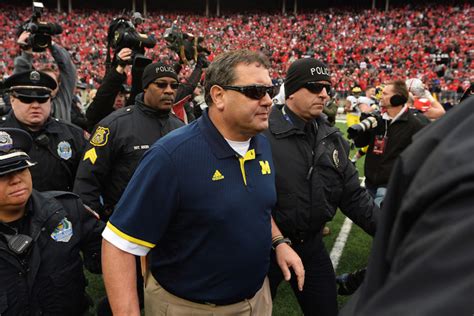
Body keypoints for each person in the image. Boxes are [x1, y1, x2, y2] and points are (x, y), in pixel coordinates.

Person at [101, 49, 288, 316]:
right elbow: (118, 244)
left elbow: (256, 206)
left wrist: (279, 242)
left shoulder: (261, 144)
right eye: (255, 91)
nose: (269, 100)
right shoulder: (172, 156)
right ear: (218, 96)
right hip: (190, 307)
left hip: (257, 298)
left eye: (271, 89)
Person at [340, 93, 474, 316]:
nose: (382, 98)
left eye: (388, 94)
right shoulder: (382, 120)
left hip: (388, 184)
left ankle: (359, 279)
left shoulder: (421, 126)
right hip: (377, 180)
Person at [263, 58, 379, 316]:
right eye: (315, 87)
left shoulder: (331, 137)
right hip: (265, 248)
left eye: (327, 87)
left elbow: (353, 196)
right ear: (292, 91)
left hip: (310, 246)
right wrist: (275, 240)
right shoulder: (261, 134)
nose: (324, 94)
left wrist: (391, 230)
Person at [0, 127, 103, 315]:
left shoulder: (67, 210)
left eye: (21, 168)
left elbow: (111, 257)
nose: (16, 180)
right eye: (2, 174)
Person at [73, 62, 185, 220]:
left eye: (174, 86)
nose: (169, 91)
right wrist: (95, 226)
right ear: (145, 87)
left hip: (170, 227)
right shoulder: (114, 125)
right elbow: (87, 180)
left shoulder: (181, 128)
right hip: (123, 227)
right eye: (161, 85)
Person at [1, 70, 86, 192]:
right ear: (12, 100)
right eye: (27, 99)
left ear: (50, 100)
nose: (35, 105)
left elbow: (87, 181)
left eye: (42, 99)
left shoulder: (73, 135)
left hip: (62, 209)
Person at [351, 80, 427, 206]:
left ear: (397, 98)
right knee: (371, 221)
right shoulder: (378, 120)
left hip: (391, 185)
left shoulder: (415, 125)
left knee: (380, 219)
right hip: (370, 182)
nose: (380, 96)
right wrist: (364, 120)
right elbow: (360, 143)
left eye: (385, 94)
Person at [15, 31, 77, 122]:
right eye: (45, 83)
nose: (49, 87)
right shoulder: (32, 104)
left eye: (52, 83)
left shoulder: (63, 98)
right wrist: (26, 52)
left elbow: (68, 67)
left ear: (58, 85)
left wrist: (49, 42)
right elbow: (21, 80)